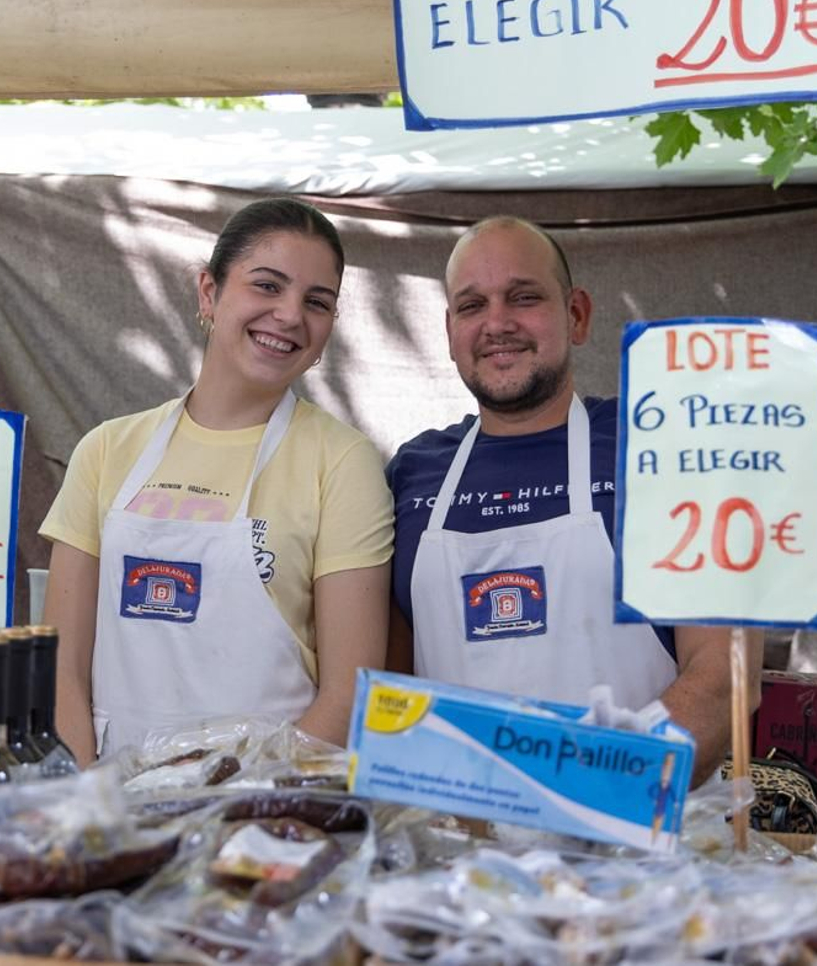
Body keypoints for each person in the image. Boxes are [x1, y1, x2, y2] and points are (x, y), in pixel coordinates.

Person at [385, 216, 756, 783]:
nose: (497, 323)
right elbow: (388, 687)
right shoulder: (412, 475)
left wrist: (595, 791)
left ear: (576, 315)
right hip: (456, 851)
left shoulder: (665, 450)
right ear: (450, 329)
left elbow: (724, 679)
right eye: (471, 305)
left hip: (637, 844)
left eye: (524, 297)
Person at [40, 198, 393, 764]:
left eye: (317, 302)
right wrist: (89, 806)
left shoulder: (343, 462)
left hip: (265, 822)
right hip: (110, 808)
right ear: (209, 292)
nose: (289, 315)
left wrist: (238, 806)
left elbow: (349, 698)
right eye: (267, 286)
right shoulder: (107, 451)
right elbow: (61, 672)